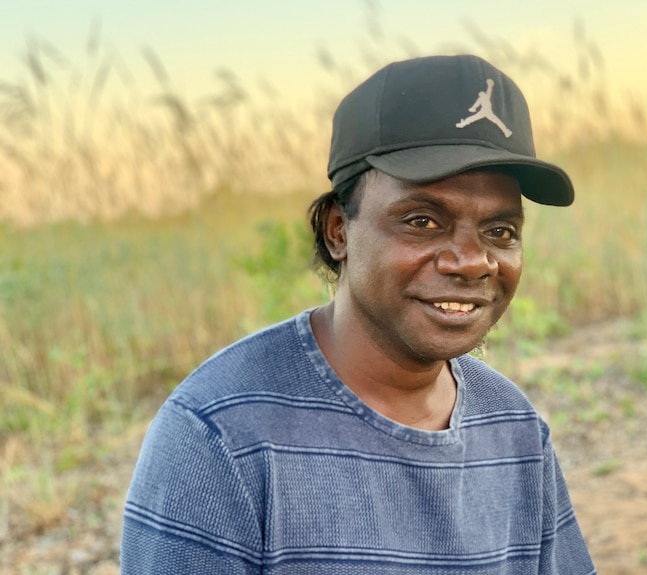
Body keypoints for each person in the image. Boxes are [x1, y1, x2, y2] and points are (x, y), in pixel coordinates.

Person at [121, 54, 596, 575]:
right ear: (338, 231)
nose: (472, 261)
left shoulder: (514, 427)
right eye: (422, 220)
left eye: (501, 232)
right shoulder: (220, 436)